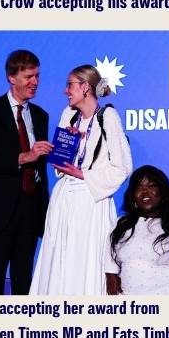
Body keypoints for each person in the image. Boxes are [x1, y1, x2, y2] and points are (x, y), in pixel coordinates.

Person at [30, 65, 133, 295]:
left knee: (85, 259)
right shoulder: (69, 115)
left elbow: (122, 167)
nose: (66, 91)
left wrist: (84, 174)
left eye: (70, 85)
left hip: (90, 200)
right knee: (59, 258)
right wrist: (61, 154)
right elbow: (61, 162)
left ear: (86, 87)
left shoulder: (108, 117)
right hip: (64, 199)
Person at [0, 50, 52, 295]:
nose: (35, 82)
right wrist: (25, 156)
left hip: (30, 208)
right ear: (11, 77)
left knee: (24, 278)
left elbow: (40, 165)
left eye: (37, 76)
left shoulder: (40, 115)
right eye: (29, 76)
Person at [105, 165, 169, 295]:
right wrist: (111, 274)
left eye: (151, 186)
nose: (145, 192)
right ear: (133, 196)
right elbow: (109, 252)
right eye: (139, 187)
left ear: (163, 192)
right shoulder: (122, 224)